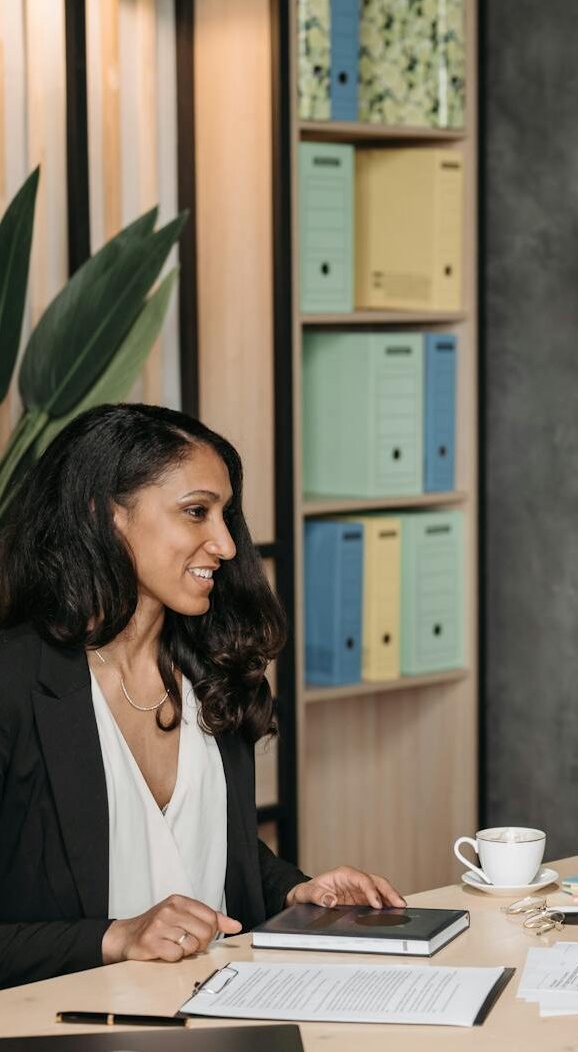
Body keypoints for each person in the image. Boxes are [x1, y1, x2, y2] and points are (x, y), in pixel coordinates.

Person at [0, 403, 405, 990]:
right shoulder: (14, 682)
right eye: (196, 513)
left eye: (225, 515)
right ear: (103, 514)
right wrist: (116, 937)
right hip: (72, 1045)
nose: (226, 544)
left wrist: (295, 891)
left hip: (226, 1010)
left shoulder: (214, 670)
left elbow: (205, 854)